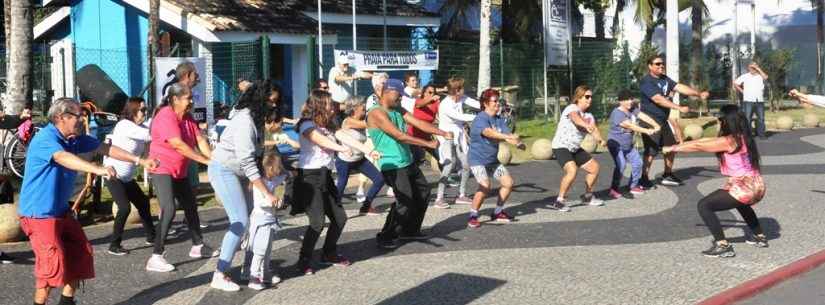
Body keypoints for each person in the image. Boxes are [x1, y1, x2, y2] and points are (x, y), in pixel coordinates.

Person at [18, 98, 158, 305]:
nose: (82, 118)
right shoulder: (46, 139)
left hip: (61, 212)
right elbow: (62, 157)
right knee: (51, 265)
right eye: (77, 115)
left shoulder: (73, 138)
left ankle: (67, 302)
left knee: (81, 253)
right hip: (39, 215)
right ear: (60, 117)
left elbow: (106, 148)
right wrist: (98, 169)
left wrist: (140, 160)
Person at [663, 104, 768, 258]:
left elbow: (700, 145)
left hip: (744, 186)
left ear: (728, 121)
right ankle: (759, 236)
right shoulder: (744, 136)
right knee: (741, 204)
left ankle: (723, 245)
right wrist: (680, 144)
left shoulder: (729, 140)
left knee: (704, 205)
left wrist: (672, 148)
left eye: (720, 119)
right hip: (757, 185)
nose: (719, 122)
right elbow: (706, 141)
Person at [207, 81, 281, 291]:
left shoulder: (255, 118)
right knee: (239, 222)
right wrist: (265, 191)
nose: (273, 106)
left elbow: (253, 158)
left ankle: (251, 270)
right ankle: (219, 274)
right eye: (270, 101)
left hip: (239, 172)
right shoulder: (245, 121)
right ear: (260, 100)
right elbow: (247, 161)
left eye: (276, 102)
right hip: (224, 169)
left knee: (254, 219)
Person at [367, 79, 453, 249]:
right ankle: (386, 236)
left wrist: (442, 132)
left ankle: (410, 230)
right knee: (404, 200)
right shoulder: (376, 113)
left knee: (423, 193)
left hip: (407, 161)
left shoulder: (398, 109)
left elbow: (418, 123)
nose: (400, 99)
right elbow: (399, 135)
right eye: (399, 95)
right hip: (391, 164)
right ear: (387, 92)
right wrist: (427, 144)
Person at [145, 83, 216, 273]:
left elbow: (200, 139)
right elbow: (179, 145)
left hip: (180, 170)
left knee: (191, 206)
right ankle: (156, 256)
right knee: (169, 208)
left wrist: (213, 159)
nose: (192, 101)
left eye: (191, 98)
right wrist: (205, 161)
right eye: (188, 98)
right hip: (161, 168)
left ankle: (198, 245)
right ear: (175, 99)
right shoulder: (166, 116)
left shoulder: (188, 117)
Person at [292, 90, 358, 275]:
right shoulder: (306, 124)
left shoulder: (328, 125)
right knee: (317, 222)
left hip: (325, 176)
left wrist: (367, 149)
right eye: (329, 103)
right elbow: (318, 139)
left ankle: (328, 253)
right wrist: (341, 148)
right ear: (320, 105)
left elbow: (344, 136)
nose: (332, 107)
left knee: (339, 218)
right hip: (309, 177)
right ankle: (303, 259)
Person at [639, 54, 709, 188]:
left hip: (662, 120)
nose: (661, 66)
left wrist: (698, 94)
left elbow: (679, 87)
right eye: (657, 64)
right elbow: (658, 99)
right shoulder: (647, 81)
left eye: (662, 63)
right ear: (650, 66)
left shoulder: (665, 79)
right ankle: (643, 177)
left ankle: (667, 174)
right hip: (649, 121)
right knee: (651, 150)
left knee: (671, 147)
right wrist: (679, 107)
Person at [102, 97, 157, 256]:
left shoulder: (141, 127)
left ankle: (152, 236)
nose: (145, 113)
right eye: (142, 110)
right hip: (113, 175)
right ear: (132, 110)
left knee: (143, 203)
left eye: (146, 110)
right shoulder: (124, 125)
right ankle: (114, 244)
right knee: (124, 207)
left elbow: (147, 146)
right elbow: (150, 135)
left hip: (127, 178)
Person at [466, 89, 525, 228]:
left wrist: (518, 143)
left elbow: (506, 134)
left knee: (508, 183)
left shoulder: (498, 119)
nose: (498, 104)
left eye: (498, 101)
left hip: (492, 161)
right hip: (477, 160)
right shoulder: (481, 118)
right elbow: (489, 133)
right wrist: (508, 137)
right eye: (495, 101)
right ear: (486, 103)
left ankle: (498, 212)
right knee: (485, 186)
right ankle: (473, 215)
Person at [241, 134, 287, 290]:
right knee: (260, 250)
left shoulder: (271, 180)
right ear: (269, 168)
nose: (279, 170)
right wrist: (276, 202)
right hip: (260, 221)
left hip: (269, 221)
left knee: (267, 251)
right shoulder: (258, 184)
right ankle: (254, 277)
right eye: (277, 167)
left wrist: (290, 173)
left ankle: (265, 273)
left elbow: (283, 177)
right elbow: (260, 203)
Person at [550, 85, 607, 211]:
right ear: (578, 98)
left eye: (591, 97)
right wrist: (585, 125)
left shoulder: (590, 116)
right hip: (561, 146)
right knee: (572, 170)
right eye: (587, 96)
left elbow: (594, 129)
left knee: (594, 168)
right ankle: (559, 201)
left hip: (574, 148)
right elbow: (576, 118)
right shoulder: (571, 108)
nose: (590, 99)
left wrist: (600, 140)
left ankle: (587, 196)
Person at [334, 96, 385, 216]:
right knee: (341, 185)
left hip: (359, 159)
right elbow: (367, 124)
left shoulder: (363, 118)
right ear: (354, 108)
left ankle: (366, 207)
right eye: (362, 105)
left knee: (379, 179)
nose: (365, 107)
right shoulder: (348, 121)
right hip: (344, 161)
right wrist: (380, 115)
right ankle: (333, 210)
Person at [606, 90, 661, 199]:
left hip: (628, 145)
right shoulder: (617, 113)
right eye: (627, 99)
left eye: (631, 99)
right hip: (616, 145)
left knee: (638, 163)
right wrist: (647, 131)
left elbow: (644, 116)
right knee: (621, 165)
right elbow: (630, 126)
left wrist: (656, 125)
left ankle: (633, 186)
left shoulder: (633, 110)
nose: (630, 101)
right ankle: (613, 189)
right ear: (621, 101)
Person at [435, 77, 479, 209]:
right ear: (456, 90)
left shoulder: (461, 97)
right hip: (446, 137)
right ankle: (439, 198)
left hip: (459, 136)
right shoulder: (445, 105)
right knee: (450, 164)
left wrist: (488, 105)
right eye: (461, 88)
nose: (464, 90)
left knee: (466, 164)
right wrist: (480, 117)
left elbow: (476, 103)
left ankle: (461, 195)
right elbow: (460, 117)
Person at [408, 84, 442, 166]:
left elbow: (442, 113)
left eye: (433, 93)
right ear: (424, 93)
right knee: (415, 160)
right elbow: (420, 104)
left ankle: (445, 176)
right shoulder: (419, 100)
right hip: (414, 135)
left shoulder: (436, 103)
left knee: (440, 157)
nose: (431, 94)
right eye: (429, 92)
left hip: (426, 136)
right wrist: (430, 99)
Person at [734, 62, 769, 139]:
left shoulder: (760, 76)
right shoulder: (745, 76)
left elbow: (766, 77)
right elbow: (735, 83)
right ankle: (748, 135)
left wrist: (758, 69)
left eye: (754, 67)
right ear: (748, 68)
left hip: (759, 100)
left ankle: (762, 135)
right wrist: (742, 91)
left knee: (761, 118)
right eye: (751, 67)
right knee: (747, 118)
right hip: (748, 100)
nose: (752, 69)